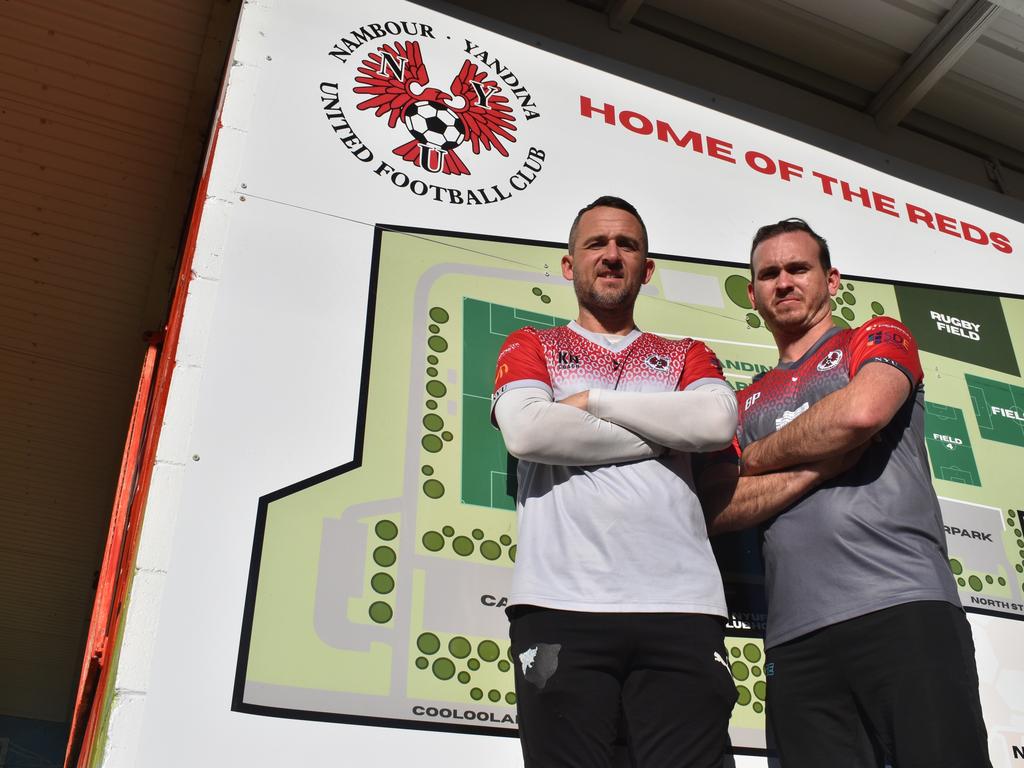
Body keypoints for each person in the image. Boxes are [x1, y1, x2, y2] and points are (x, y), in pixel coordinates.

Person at [698, 218, 991, 767]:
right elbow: (717, 505)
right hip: (795, 639)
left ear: (832, 281)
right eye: (768, 274)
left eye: (797, 268)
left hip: (905, 607)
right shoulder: (741, 403)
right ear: (753, 294)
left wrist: (755, 459)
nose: (783, 281)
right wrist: (816, 467)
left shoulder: (877, 336)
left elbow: (860, 413)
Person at [491, 196, 739, 767]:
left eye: (626, 245)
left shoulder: (686, 353)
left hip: (681, 607)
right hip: (560, 603)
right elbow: (528, 433)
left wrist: (593, 403)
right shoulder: (532, 343)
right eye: (596, 244)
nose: (610, 255)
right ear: (568, 264)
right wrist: (665, 432)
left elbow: (716, 422)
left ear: (646, 269)